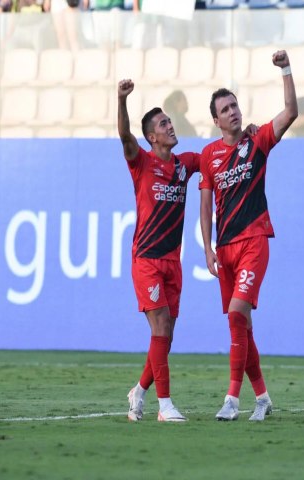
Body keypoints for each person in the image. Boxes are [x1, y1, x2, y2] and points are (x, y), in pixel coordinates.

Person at [199, 50, 297, 422]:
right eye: (225, 109)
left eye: (235, 106)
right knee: (242, 326)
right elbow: (206, 205)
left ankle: (231, 399)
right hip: (224, 250)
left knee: (238, 313)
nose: (233, 112)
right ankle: (263, 398)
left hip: (254, 241)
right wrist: (207, 248)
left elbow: (291, 112)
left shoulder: (257, 143)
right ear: (215, 119)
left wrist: (285, 70)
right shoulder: (209, 156)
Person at [117, 78, 199, 423]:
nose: (170, 125)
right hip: (147, 260)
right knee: (161, 326)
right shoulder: (142, 163)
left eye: (169, 121)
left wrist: (247, 136)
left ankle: (139, 390)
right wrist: (120, 100)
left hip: (173, 263)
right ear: (152, 137)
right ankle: (164, 406)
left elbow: (217, 156)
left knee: (164, 336)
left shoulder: (185, 165)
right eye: (164, 124)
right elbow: (124, 136)